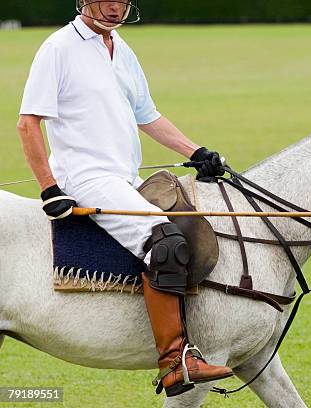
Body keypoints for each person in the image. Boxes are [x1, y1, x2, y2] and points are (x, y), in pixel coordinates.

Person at [16, 0, 233, 397]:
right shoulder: (59, 48)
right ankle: (174, 362)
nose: (116, 7)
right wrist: (50, 189)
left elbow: (147, 115)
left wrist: (195, 151)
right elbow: (28, 124)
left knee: (194, 223)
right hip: (85, 178)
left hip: (127, 177)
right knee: (164, 242)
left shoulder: (122, 49)